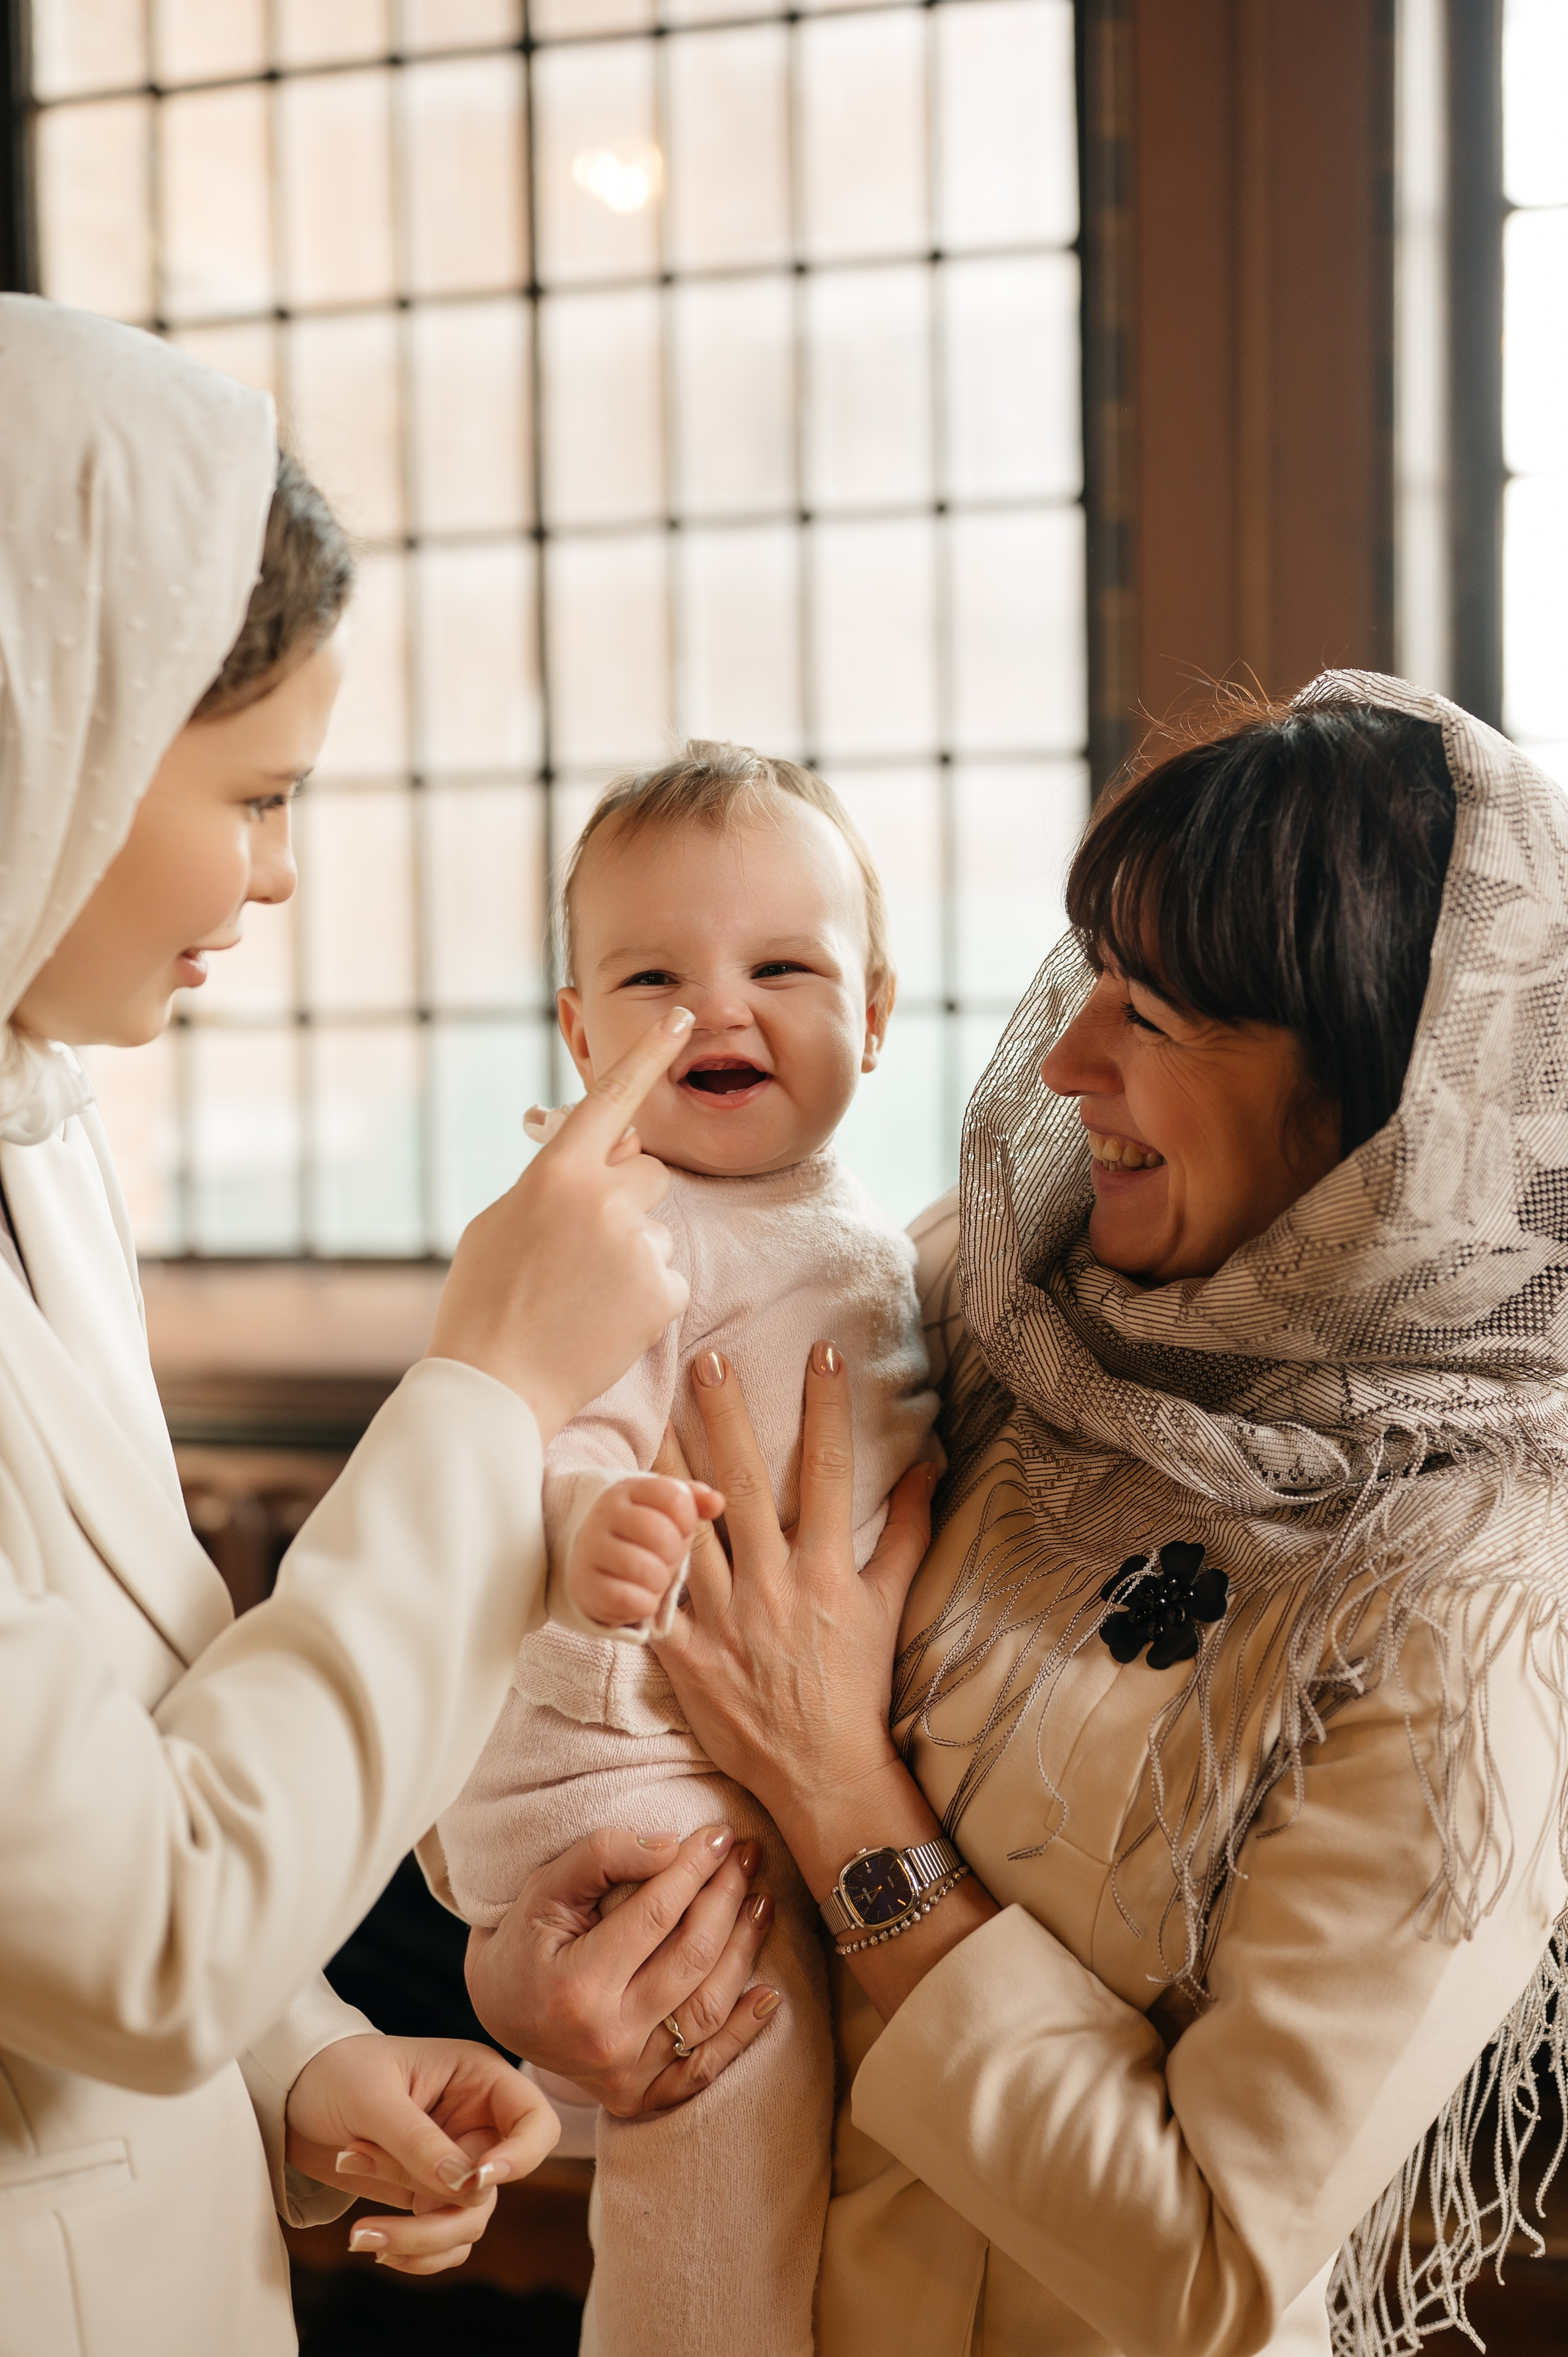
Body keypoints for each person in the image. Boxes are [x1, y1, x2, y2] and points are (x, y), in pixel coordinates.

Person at [470, 674, 1568, 2357]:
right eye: (1092, 979)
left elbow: (1208, 2269)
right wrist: (540, 1987)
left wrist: (841, 1797)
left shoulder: (1475, 1592)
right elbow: (569, 1691)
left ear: (1375, 1092)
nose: (1063, 1058)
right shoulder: (962, 1301)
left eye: (1160, 1012)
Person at [0, 295, 778, 2357]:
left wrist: (290, 2060)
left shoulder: (33, 1120)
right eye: (254, 795)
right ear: (40, 729)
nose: (272, 882)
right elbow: (138, 1921)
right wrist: (492, 1384)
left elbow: (105, 1745)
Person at [430, 743, 939, 2357]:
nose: (719, 1011)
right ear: (583, 1037)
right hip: (617, 1765)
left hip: (754, 1754)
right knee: (733, 2082)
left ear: (873, 1010)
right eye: (655, 979)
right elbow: (543, 1432)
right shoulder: (618, 1221)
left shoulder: (869, 1224)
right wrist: (594, 1521)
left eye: (782, 966)